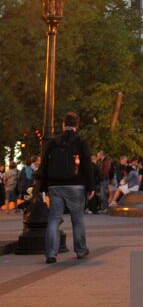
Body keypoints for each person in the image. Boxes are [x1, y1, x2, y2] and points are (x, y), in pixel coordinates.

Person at [41, 110, 94, 262]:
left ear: (63, 125)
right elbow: (87, 165)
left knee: (53, 219)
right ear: (76, 125)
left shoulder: (54, 141)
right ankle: (80, 250)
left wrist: (44, 187)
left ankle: (51, 253)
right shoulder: (81, 141)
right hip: (75, 185)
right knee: (77, 219)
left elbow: (45, 164)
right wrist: (90, 187)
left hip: (55, 185)